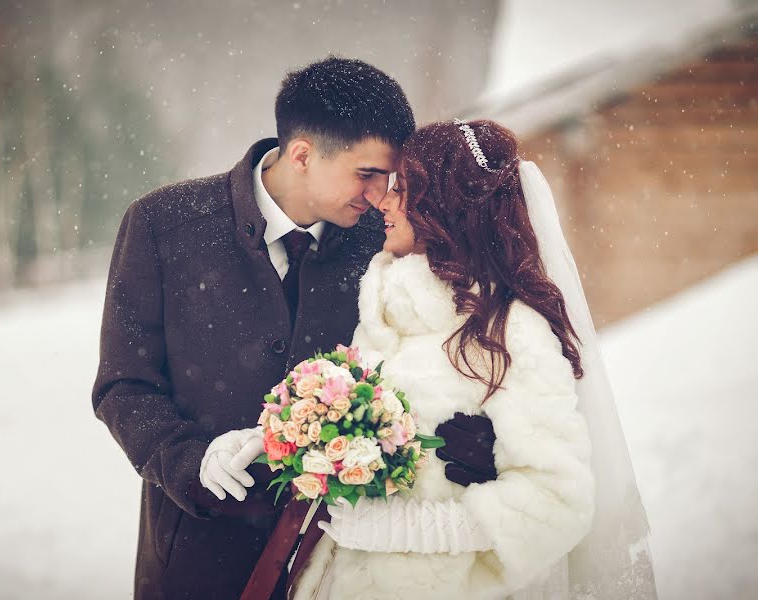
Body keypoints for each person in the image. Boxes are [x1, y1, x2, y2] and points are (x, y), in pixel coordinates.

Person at [92, 58, 500, 600]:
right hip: (194, 554)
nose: (380, 195)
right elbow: (124, 385)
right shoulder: (162, 225)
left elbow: (423, 356)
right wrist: (192, 464)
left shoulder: (383, 243)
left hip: (340, 561)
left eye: (388, 178)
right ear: (303, 154)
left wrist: (471, 440)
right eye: (367, 174)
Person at [288, 119, 657, 599]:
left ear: (441, 204)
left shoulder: (508, 334)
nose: (382, 201)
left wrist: (406, 533)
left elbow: (556, 502)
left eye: (401, 188)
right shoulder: (381, 319)